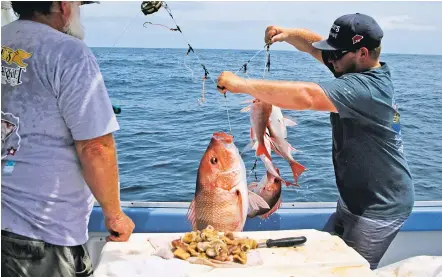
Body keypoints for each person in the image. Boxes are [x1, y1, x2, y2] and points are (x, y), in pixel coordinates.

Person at [216, 13, 414, 269]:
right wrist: (286, 33)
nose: (330, 59)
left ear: (362, 53)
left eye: (336, 54)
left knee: (347, 270)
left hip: (380, 208)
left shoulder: (364, 88)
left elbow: (307, 96)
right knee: (328, 258)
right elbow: (313, 45)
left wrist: (242, 84)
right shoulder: (353, 63)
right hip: (354, 199)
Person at [1, 1, 135, 276]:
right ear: (63, 6)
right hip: (40, 231)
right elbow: (95, 146)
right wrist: (114, 214)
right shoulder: (68, 51)